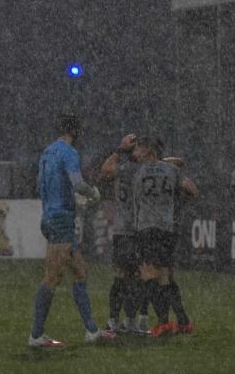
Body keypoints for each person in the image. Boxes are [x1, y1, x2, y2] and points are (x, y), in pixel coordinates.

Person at [28, 115, 116, 348]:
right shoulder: (70, 152)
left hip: (49, 216)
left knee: (80, 270)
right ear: (75, 132)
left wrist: (66, 198)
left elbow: (40, 185)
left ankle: (92, 331)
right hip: (60, 219)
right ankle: (36, 336)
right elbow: (77, 183)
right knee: (53, 276)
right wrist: (92, 193)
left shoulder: (46, 153)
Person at [131, 136, 198, 337]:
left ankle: (163, 323)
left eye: (140, 149)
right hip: (167, 228)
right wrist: (178, 201)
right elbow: (192, 190)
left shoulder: (138, 172)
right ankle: (183, 321)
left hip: (147, 227)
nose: (137, 153)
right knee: (165, 276)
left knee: (148, 274)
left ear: (149, 151)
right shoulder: (172, 170)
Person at [100, 133, 144, 333]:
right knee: (135, 276)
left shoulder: (123, 169)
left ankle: (114, 320)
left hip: (123, 230)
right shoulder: (142, 169)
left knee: (122, 276)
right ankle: (130, 321)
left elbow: (105, 170)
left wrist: (120, 149)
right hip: (138, 230)